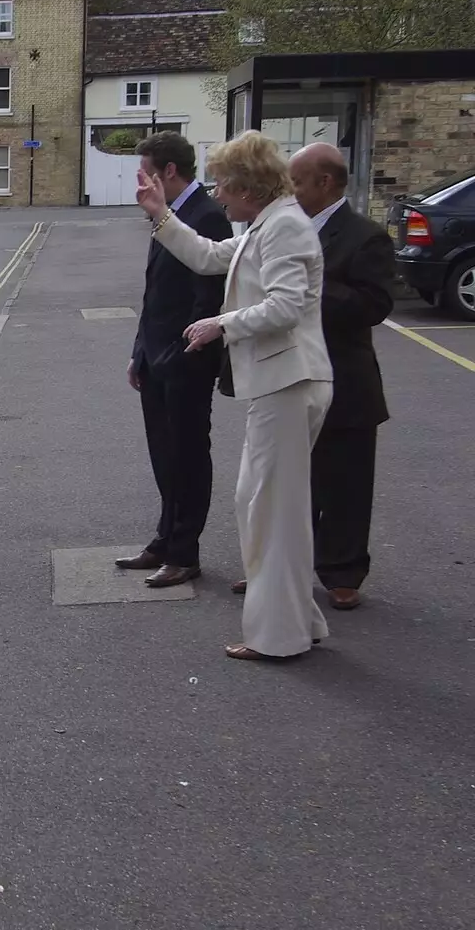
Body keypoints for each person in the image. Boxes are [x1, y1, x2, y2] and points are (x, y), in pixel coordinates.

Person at [136, 130, 333, 661]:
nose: (217, 195)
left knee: (270, 510)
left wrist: (220, 322)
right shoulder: (266, 224)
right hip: (278, 384)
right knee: (265, 505)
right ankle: (300, 622)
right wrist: (161, 215)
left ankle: (279, 637)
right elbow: (206, 256)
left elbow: (286, 306)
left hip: (291, 382)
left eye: (223, 185)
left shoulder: (284, 226)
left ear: (249, 186)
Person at [226, 142, 390, 611]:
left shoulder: (365, 236)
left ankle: (343, 572)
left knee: (345, 483)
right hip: (287, 374)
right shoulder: (279, 226)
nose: (290, 188)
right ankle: (276, 571)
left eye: (297, 180)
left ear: (326, 183)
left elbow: (374, 304)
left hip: (346, 376)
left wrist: (307, 285)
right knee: (286, 488)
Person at [118, 132, 234, 589]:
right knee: (164, 457)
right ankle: (165, 540)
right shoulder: (167, 213)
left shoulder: (206, 216)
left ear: (169, 171)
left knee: (187, 457)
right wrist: (139, 353)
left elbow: (206, 300)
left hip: (186, 362)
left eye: (145, 173)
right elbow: (157, 295)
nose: (140, 184)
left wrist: (174, 357)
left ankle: (186, 553)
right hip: (155, 360)